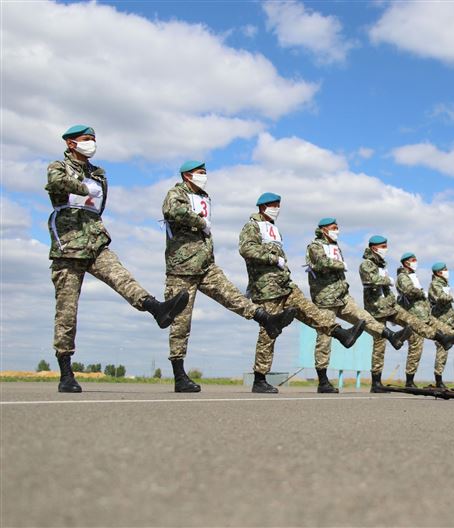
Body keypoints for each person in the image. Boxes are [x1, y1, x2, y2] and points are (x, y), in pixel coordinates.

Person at [46, 125, 190, 393]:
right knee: (67, 311)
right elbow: (56, 184)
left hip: (95, 240)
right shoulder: (58, 166)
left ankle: (156, 308)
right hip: (68, 245)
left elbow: (99, 204)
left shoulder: (98, 173)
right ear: (70, 143)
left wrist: (89, 186)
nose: (91, 143)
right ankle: (66, 373)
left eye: (93, 139)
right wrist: (82, 187)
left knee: (122, 277)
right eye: (85, 140)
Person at [162, 161, 295, 392]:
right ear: (186, 175)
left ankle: (267, 319)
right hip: (182, 268)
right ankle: (179, 375)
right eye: (200, 173)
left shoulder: (204, 197)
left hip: (206, 265)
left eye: (205, 172)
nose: (204, 176)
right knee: (181, 323)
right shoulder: (176, 193)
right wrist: (199, 221)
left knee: (233, 297)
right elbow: (172, 210)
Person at [239, 193, 366, 393]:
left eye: (278, 205)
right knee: (268, 332)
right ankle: (259, 379)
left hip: (285, 285)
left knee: (313, 313)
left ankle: (343, 334)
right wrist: (273, 259)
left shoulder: (273, 228)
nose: (277, 208)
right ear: (262, 207)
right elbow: (246, 249)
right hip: (266, 289)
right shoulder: (252, 226)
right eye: (273, 205)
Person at [305, 218, 409, 393]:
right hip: (325, 298)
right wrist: (341, 264)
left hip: (343, 296)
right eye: (333, 228)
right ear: (323, 230)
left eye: (337, 228)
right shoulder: (314, 246)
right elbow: (321, 263)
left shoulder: (336, 247)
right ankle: (323, 381)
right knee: (324, 338)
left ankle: (392, 336)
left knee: (365, 318)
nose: (337, 231)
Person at [359, 236, 454, 393]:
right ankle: (376, 382)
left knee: (413, 323)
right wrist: (388, 281)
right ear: (374, 247)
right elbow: (370, 280)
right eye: (383, 246)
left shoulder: (382, 265)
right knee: (379, 344)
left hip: (390, 305)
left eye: (386, 246)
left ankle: (441, 338)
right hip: (376, 308)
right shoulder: (367, 264)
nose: (385, 249)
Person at [395, 253, 454, 388]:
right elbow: (409, 291)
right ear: (405, 263)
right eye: (412, 260)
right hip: (412, 316)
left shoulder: (412, 276)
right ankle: (409, 381)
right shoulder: (403, 277)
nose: (415, 262)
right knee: (416, 347)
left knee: (419, 347)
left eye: (416, 259)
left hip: (423, 316)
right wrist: (421, 293)